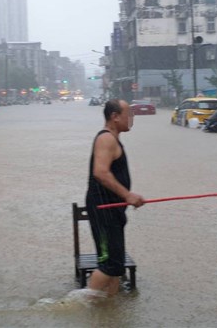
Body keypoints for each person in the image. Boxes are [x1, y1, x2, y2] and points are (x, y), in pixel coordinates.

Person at [85, 99, 145, 297]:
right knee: (109, 263)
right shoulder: (106, 139)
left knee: (117, 265)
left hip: (113, 210)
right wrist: (127, 194)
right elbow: (100, 173)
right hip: (104, 210)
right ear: (115, 116)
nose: (131, 119)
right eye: (129, 115)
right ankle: (82, 306)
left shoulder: (113, 138)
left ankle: (110, 310)